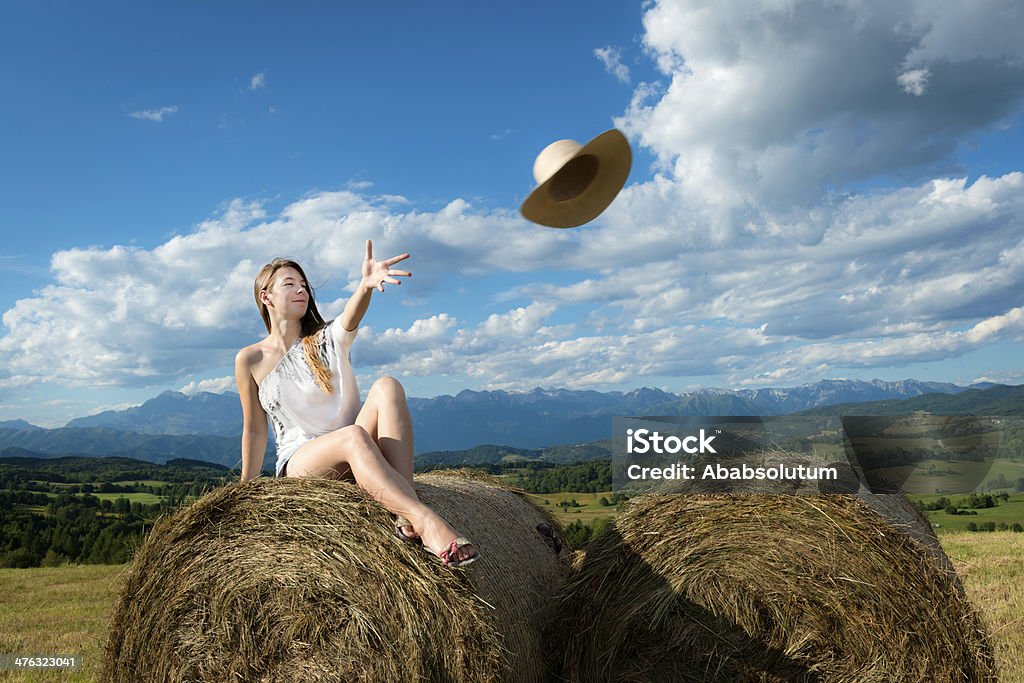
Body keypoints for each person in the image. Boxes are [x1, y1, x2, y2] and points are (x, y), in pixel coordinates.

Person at [233, 240, 478, 567]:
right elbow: (254, 429)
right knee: (352, 437)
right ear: (266, 297)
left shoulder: (323, 340)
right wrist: (244, 494)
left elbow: (349, 318)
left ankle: (405, 511)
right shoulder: (250, 358)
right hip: (303, 461)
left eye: (304, 285)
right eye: (289, 284)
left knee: (387, 387)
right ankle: (425, 520)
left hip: (356, 445)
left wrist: (365, 287)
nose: (301, 291)